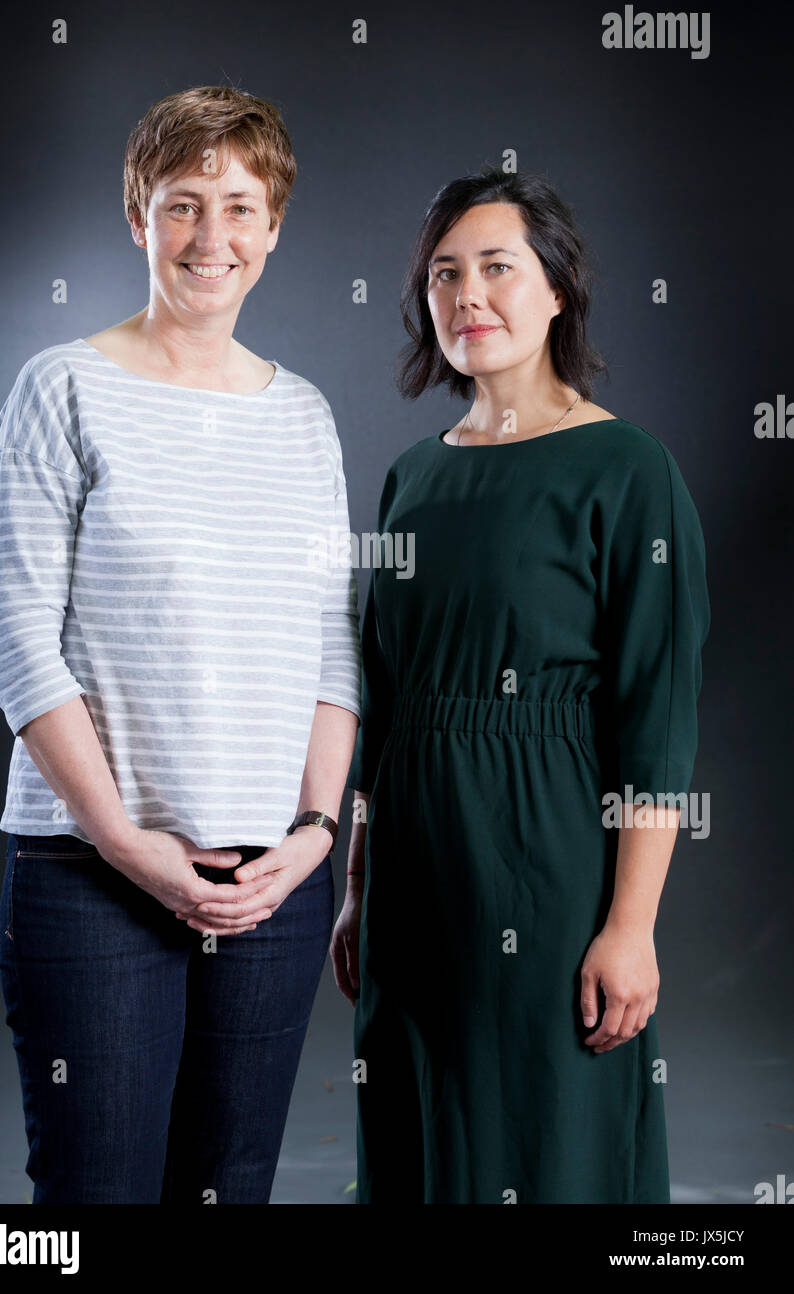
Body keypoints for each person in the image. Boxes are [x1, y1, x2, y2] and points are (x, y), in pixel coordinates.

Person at [0, 85, 361, 1204]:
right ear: (138, 215)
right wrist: (122, 839)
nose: (211, 237)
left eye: (239, 207)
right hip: (91, 874)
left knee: (228, 1186)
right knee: (96, 1193)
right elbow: (16, 640)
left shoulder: (303, 415)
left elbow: (333, 649)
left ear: (274, 226)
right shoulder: (61, 388)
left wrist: (312, 831)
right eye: (183, 203)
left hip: (272, 887)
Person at [330, 167, 711, 1204]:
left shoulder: (627, 470)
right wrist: (358, 886)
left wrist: (628, 926)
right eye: (443, 274)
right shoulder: (411, 475)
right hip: (413, 872)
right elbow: (382, 694)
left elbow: (654, 714)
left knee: (549, 1139)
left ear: (554, 289)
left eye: (496, 267)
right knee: (418, 1137)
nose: (467, 295)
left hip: (543, 864)